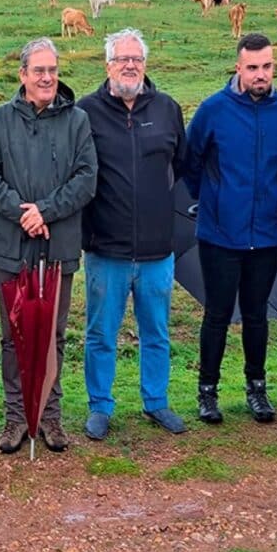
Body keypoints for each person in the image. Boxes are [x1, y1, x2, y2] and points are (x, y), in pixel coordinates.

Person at [0, 37, 97, 455]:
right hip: (11, 247)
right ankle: (15, 416)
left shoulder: (77, 121)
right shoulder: (0, 120)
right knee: (14, 335)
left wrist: (45, 211)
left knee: (52, 335)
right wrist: (19, 210)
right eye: (38, 70)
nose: (46, 77)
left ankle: (50, 415)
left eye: (52, 70)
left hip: (57, 246)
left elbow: (86, 178)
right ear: (23, 75)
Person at [77, 28, 187, 440]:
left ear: (145, 64)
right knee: (101, 333)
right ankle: (100, 406)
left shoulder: (167, 109)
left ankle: (156, 401)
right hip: (106, 249)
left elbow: (184, 165)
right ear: (107, 65)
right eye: (122, 59)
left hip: (159, 250)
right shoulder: (85, 112)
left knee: (156, 332)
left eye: (136, 59)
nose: (129, 66)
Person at [184, 33, 277, 425]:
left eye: (267, 66)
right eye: (252, 68)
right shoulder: (213, 110)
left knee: (256, 315)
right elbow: (191, 161)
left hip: (267, 235)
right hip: (219, 235)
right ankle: (207, 392)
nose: (260, 74)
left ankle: (256, 388)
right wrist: (214, 201)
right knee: (216, 315)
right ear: (238, 67)